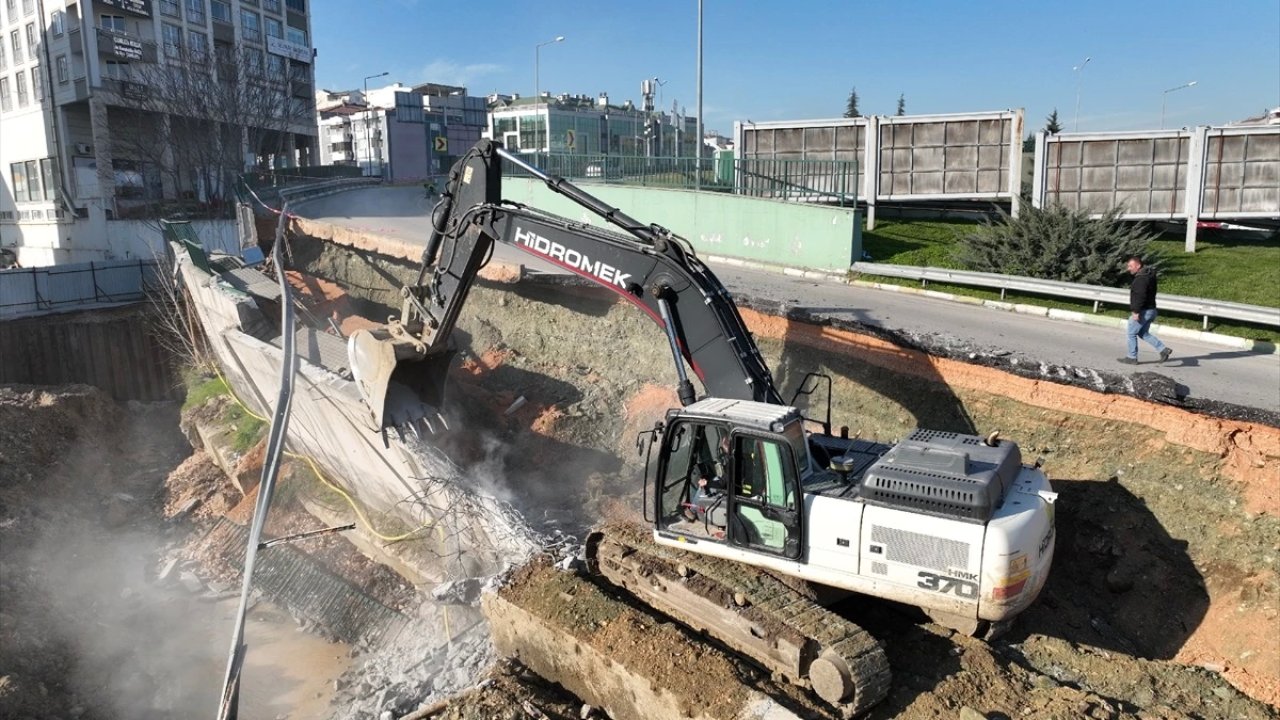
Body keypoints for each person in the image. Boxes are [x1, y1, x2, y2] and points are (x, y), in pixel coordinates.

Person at [1119, 255, 1171, 365]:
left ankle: (1131, 357)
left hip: (1143, 311)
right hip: (1151, 310)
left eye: (1130, 266)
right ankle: (1163, 350)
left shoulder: (1141, 279)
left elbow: (1140, 296)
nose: (1128, 268)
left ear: (1138, 266)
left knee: (1131, 333)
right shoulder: (1149, 275)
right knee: (1143, 333)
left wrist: (1135, 311)